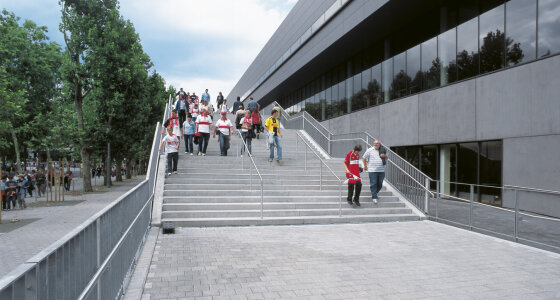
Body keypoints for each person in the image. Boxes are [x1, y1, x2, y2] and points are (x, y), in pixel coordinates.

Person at [362, 140, 387, 204]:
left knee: (380, 184)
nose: (375, 144)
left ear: (379, 144)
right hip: (372, 170)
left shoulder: (383, 150)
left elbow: (387, 158)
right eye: (374, 143)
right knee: (373, 183)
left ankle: (374, 193)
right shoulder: (370, 150)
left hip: (381, 170)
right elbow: (364, 157)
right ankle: (374, 197)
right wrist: (365, 166)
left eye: (377, 143)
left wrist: (384, 156)